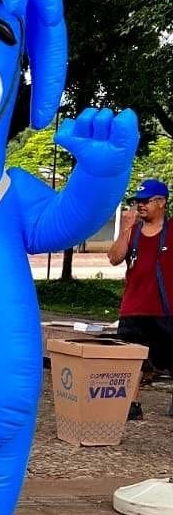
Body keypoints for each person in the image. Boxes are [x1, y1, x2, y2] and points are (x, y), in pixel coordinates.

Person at [108, 178, 173, 420]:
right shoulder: (133, 232)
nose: (140, 205)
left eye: (146, 201)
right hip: (133, 309)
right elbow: (114, 258)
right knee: (130, 361)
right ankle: (132, 404)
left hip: (165, 309)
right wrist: (125, 229)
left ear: (161, 202)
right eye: (138, 201)